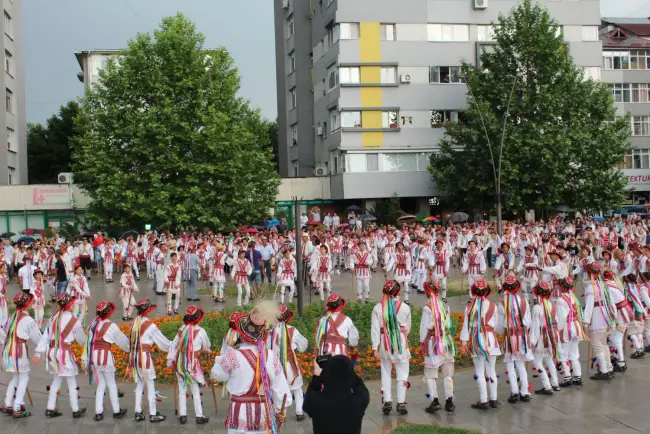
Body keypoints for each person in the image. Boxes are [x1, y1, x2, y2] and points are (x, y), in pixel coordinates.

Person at [210, 305, 291, 434]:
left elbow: (217, 374)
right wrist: (280, 411)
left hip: (239, 415)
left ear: (241, 333)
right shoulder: (271, 356)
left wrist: (227, 349)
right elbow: (281, 389)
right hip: (263, 415)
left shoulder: (232, 355)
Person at [34, 293, 87, 418]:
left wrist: (38, 352)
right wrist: (88, 344)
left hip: (52, 352)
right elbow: (81, 340)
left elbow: (46, 336)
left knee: (56, 380)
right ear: (69, 305)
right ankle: (75, 410)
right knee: (71, 381)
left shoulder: (54, 317)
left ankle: (50, 408)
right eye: (72, 303)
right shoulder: (74, 321)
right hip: (64, 353)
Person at [81, 301, 130, 421]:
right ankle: (116, 411)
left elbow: (87, 343)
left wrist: (84, 359)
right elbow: (122, 342)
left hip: (94, 357)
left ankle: (98, 412)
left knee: (101, 384)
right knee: (111, 384)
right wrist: (130, 349)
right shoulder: (111, 326)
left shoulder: (92, 325)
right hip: (106, 357)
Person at [126, 299, 170, 423]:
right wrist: (173, 346)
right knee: (150, 384)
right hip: (144, 357)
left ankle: (138, 412)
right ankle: (153, 413)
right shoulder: (150, 325)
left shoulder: (134, 323)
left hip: (134, 357)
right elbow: (163, 342)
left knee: (139, 384)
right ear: (148, 310)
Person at [371, 280, 411, 415]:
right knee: (402, 372)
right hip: (400, 343)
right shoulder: (405, 307)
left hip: (384, 343)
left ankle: (387, 400)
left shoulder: (377, 308)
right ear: (398, 292)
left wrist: (374, 347)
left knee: (385, 371)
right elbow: (408, 328)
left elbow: (375, 330)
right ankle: (401, 403)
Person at [460, 279, 501, 410]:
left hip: (477, 340)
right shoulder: (494, 306)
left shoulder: (469, 307)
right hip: (491, 339)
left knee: (479, 371)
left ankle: (484, 400)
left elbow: (466, 326)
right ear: (487, 291)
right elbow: (497, 324)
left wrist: (464, 342)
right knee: (491, 370)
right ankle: (493, 399)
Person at [0, 292, 42, 418]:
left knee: (16, 377)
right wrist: (41, 348)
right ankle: (17, 406)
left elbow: (5, 332)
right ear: (26, 303)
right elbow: (37, 337)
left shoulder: (11, 316)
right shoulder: (28, 319)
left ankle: (8, 403)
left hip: (10, 349)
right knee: (24, 378)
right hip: (19, 350)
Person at [167, 306, 211, 425]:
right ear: (198, 318)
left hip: (180, 363)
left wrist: (171, 360)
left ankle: (183, 416)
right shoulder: (201, 331)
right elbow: (207, 346)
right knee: (195, 389)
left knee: (182, 389)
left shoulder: (182, 329)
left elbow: (173, 344)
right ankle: (199, 416)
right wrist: (203, 350)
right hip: (192, 365)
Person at [303, 355, 369, 434]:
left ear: (325, 374)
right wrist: (343, 364)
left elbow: (311, 393)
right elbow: (358, 384)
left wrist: (317, 376)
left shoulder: (315, 401)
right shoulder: (359, 400)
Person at [420, 280, 456, 413]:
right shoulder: (445, 305)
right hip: (446, 340)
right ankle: (450, 401)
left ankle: (434, 401)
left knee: (430, 373)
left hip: (433, 342)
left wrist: (421, 342)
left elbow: (424, 327)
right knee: (447, 373)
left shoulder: (427, 307)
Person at [268, 304, 309, 421]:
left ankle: (283, 412)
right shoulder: (292, 330)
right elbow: (303, 345)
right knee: (297, 388)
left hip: (276, 366)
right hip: (290, 364)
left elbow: (267, 349)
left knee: (278, 389)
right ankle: (299, 412)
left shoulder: (271, 332)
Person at [497, 275, 533, 404]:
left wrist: (501, 332)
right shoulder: (524, 302)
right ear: (517, 288)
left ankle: (514, 392)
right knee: (521, 364)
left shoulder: (502, 304)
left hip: (510, 336)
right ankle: (524, 391)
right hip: (522, 336)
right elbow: (528, 322)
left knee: (510, 364)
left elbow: (500, 325)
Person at [529, 281, 565, 395]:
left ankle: (547, 386)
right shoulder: (551, 305)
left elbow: (535, 326)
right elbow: (559, 321)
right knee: (549, 359)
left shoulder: (536, 307)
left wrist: (531, 341)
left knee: (537, 361)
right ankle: (555, 383)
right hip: (553, 336)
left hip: (542, 338)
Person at [554, 276, 585, 386]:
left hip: (567, 327)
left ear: (562, 287)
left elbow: (562, 318)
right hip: (575, 325)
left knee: (563, 352)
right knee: (574, 352)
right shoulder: (573, 297)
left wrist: (559, 331)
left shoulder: (561, 300)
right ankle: (577, 376)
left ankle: (567, 377)